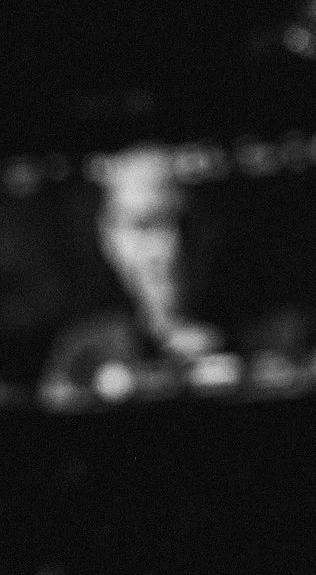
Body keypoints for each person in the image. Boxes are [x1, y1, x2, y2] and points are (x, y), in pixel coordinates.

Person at [41, 145, 228, 404]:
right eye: (144, 224)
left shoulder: (271, 330)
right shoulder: (82, 353)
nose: (169, 249)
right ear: (108, 236)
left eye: (182, 222)